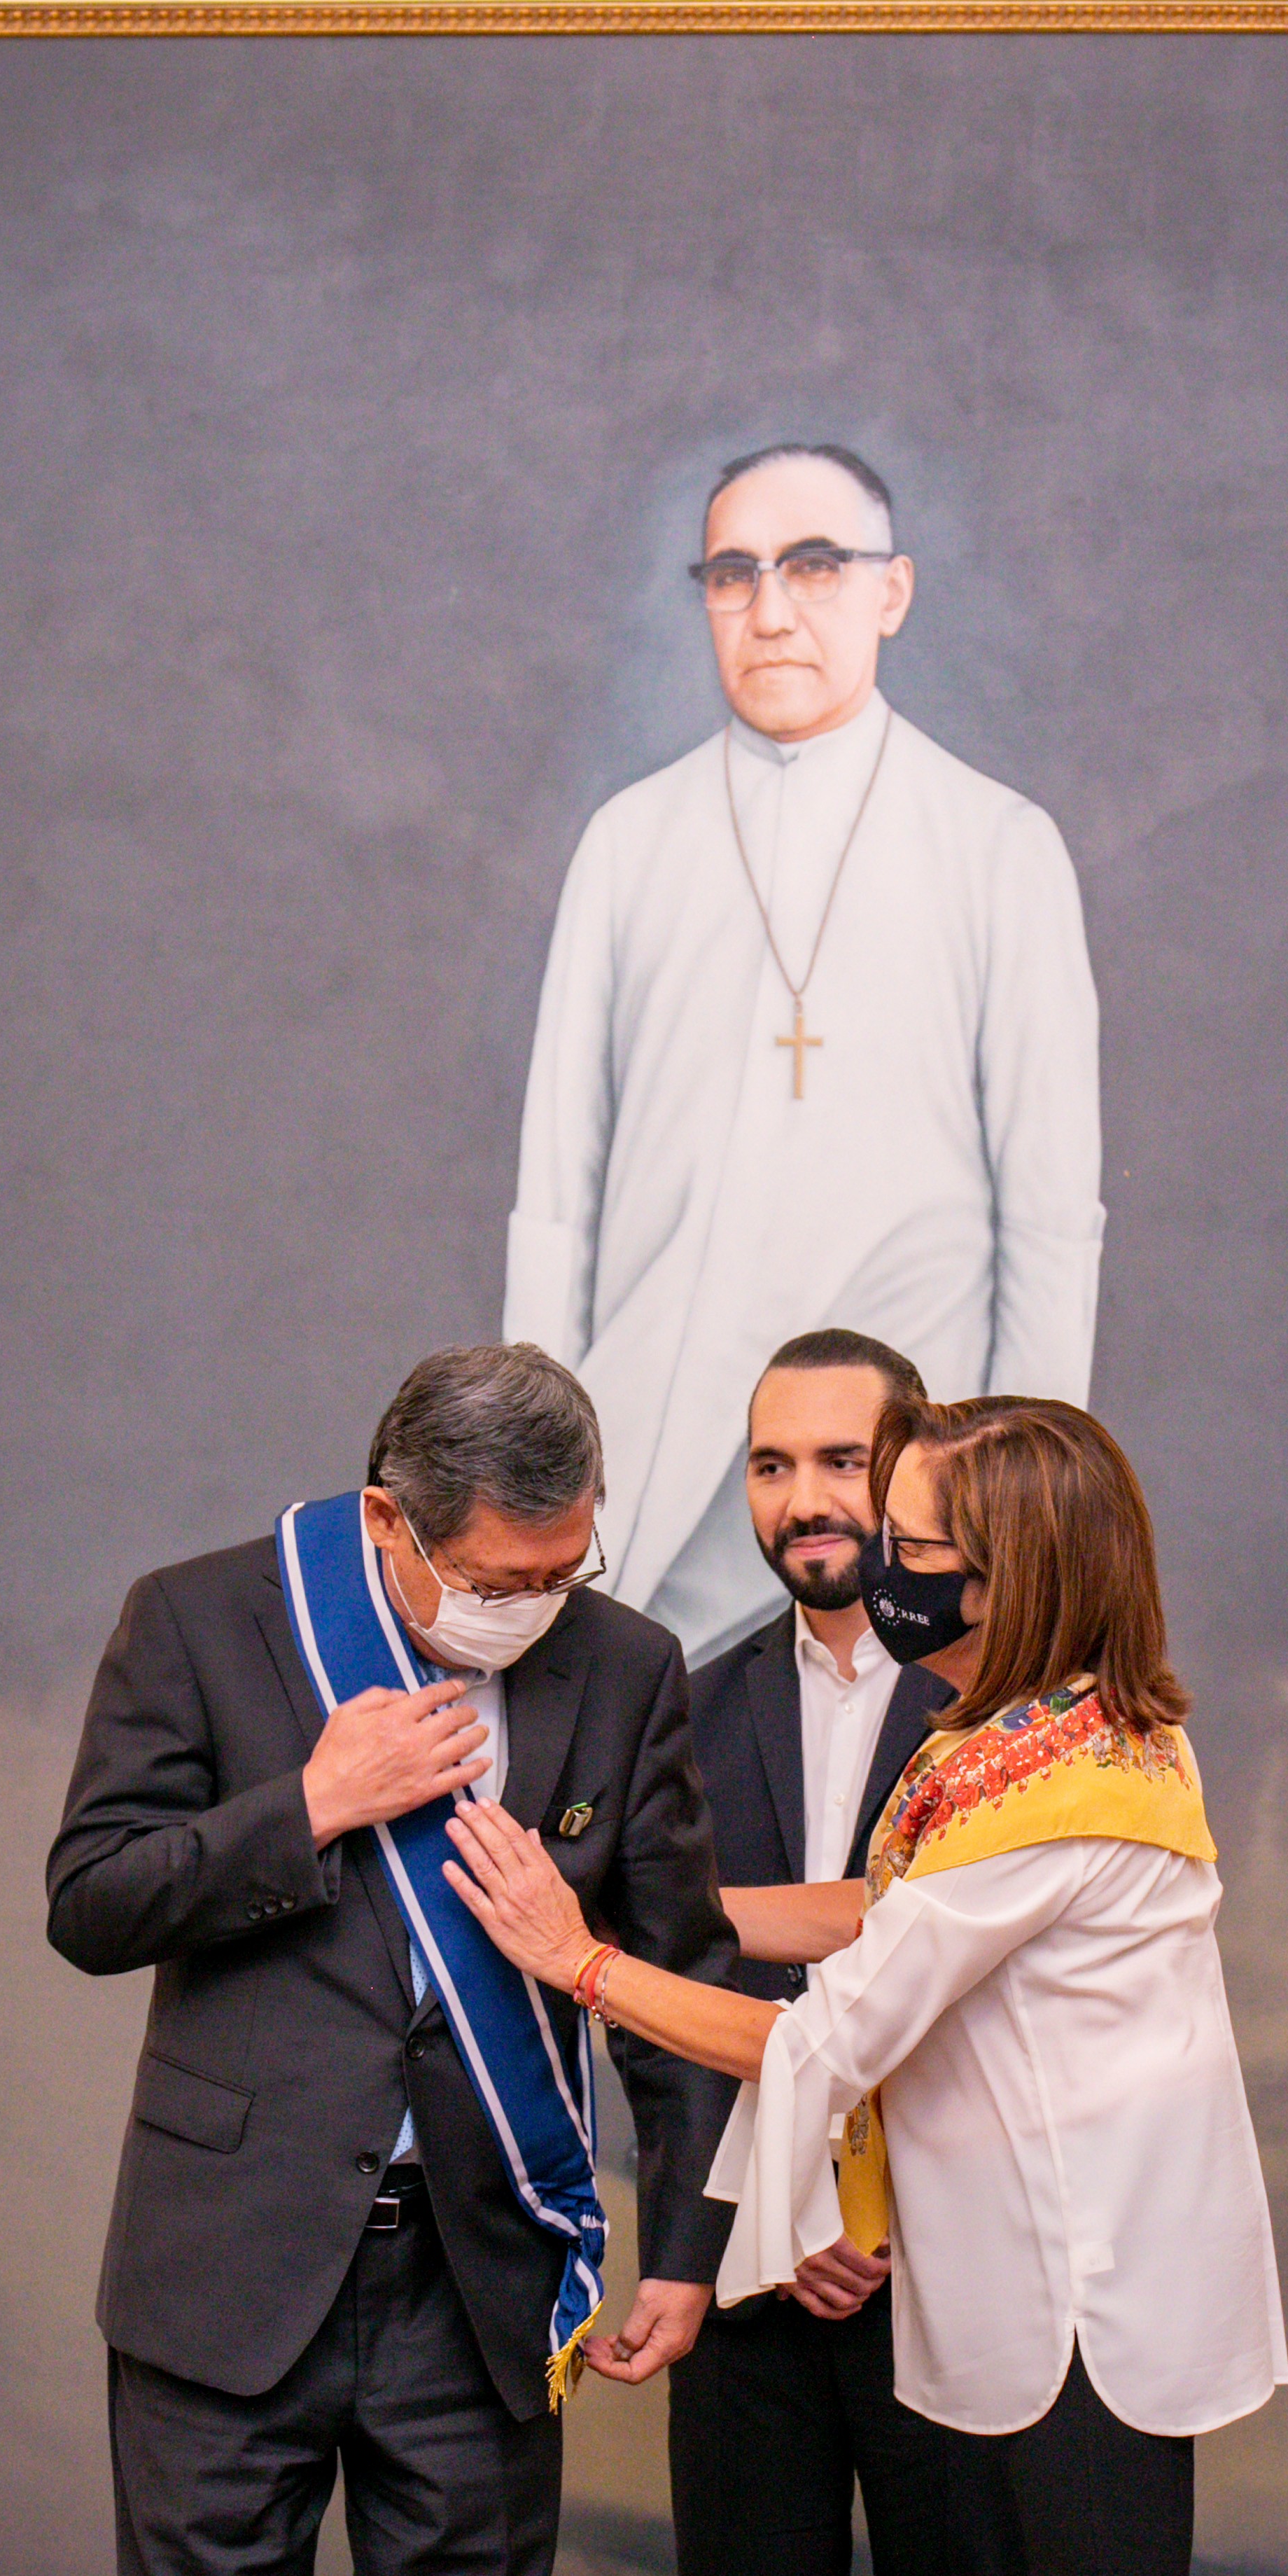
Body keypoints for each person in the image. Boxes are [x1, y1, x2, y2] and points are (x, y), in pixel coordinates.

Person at [445, 1395, 1287, 2576]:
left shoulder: (1052, 1793)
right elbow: (883, 1982)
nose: (888, 1570)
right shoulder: (1041, 1748)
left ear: (1018, 1568)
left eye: (921, 1544)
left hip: (1089, 2311)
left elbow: (827, 2035)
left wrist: (580, 1959)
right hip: (1068, 2300)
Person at [46, 1344, 738, 2576]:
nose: (534, 1604)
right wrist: (311, 1801)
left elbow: (676, 1973)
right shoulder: (203, 1623)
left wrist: (685, 2243)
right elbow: (93, 1899)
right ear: (390, 1526)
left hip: (479, 2274)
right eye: (501, 1575)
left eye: (564, 1567)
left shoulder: (622, 1671)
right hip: (227, 2265)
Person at [640, 1327, 1045, 2576]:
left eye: (843, 1464)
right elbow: (656, 2013)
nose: (806, 1500)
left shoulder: (1002, 1710)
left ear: (916, 1484)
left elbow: (984, 1989)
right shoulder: (683, 1705)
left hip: (950, 2272)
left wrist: (883, 2204)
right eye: (772, 1464)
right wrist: (737, 2229)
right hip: (746, 2273)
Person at [503, 440, 1105, 1664]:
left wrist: (1027, 1504)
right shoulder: (629, 843)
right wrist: (529, 1469)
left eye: (816, 565)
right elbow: (558, 1202)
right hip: (659, 1425)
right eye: (734, 574)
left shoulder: (997, 845)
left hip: (913, 1453)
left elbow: (1048, 1215)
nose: (770, 611)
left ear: (893, 591)